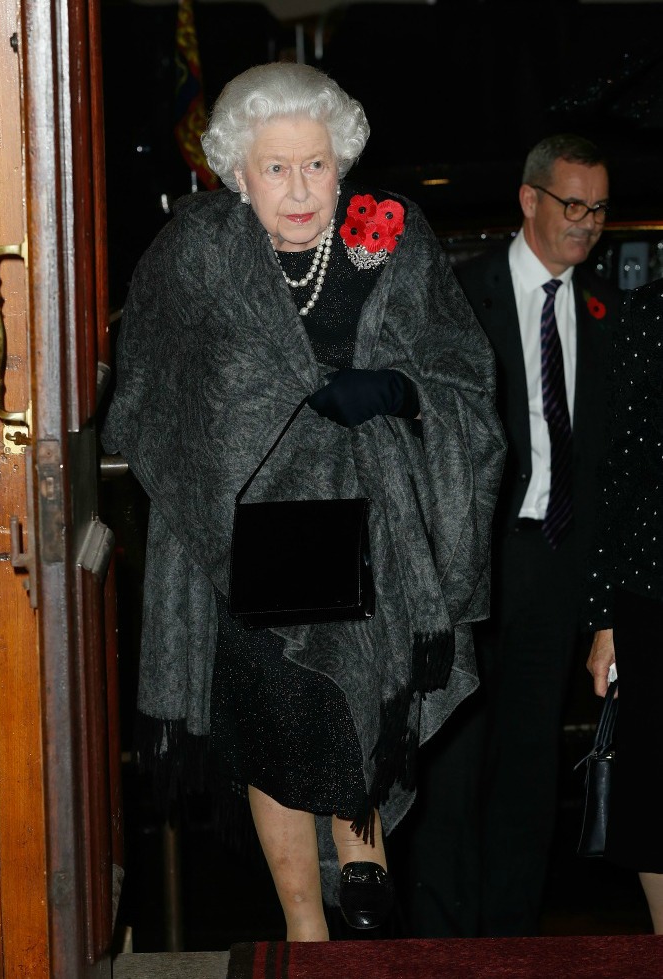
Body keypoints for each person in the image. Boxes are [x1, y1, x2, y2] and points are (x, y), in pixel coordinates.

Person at [102, 62, 505, 941]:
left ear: (342, 164)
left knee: (349, 706)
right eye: (275, 167)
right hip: (243, 541)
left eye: (315, 164)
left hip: (370, 533)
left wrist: (396, 389)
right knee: (276, 729)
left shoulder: (390, 237)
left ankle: (362, 875)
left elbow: (464, 376)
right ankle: (303, 932)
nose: (298, 187)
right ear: (237, 173)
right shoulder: (198, 250)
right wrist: (241, 432)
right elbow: (149, 393)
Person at [400, 133, 621, 938]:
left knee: (530, 768)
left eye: (598, 208)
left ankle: (512, 940)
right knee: (453, 765)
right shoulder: (463, 296)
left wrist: (602, 599)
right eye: (572, 205)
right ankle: (442, 945)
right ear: (529, 200)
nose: (587, 223)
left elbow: (606, 464)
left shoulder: (604, 310)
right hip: (469, 563)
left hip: (555, 565)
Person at [584, 277, 663, 934]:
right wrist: (604, 614)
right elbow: (616, 467)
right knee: (654, 786)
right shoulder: (650, 314)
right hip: (653, 581)